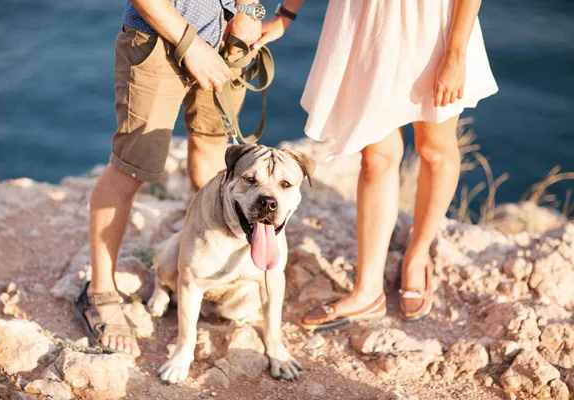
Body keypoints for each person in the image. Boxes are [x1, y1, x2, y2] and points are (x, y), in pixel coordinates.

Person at [257, 0, 498, 329]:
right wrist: (286, 14)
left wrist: (456, 52)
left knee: (434, 148)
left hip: (429, 21)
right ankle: (367, 290)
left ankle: (417, 255)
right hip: (364, 20)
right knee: (374, 158)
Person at [75, 0, 266, 356]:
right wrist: (191, 45)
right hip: (157, 38)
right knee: (130, 169)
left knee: (212, 152)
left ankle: (209, 267)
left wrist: (249, 9)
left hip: (227, 36)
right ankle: (99, 292)